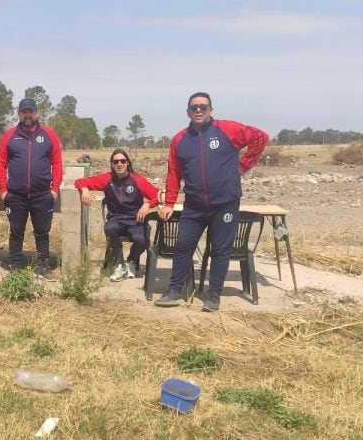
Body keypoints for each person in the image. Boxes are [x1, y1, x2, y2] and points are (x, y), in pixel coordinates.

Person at [155, 92, 268, 311]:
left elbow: (261, 137)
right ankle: (176, 291)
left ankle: (214, 294)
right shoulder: (180, 139)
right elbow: (173, 173)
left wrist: (243, 166)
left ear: (211, 110)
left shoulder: (227, 129)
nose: (199, 110)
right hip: (194, 206)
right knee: (183, 247)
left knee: (220, 250)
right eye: (194, 107)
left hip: (225, 204)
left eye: (203, 107)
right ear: (188, 112)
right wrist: (169, 202)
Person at [0, 98, 63, 280]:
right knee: (16, 231)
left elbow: (57, 162)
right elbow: (1, 163)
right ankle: (16, 265)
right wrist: (3, 189)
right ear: (19, 114)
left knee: (42, 231)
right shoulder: (10, 135)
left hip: (42, 195)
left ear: (37, 113)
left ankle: (42, 265)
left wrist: (55, 188)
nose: (28, 115)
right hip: (16, 195)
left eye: (31, 111)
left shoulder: (48, 134)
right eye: (24, 112)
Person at [74, 149, 159, 281]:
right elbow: (80, 181)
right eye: (116, 161)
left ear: (127, 163)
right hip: (116, 219)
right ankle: (120, 264)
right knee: (109, 228)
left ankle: (132, 261)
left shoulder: (138, 180)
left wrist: (147, 204)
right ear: (112, 164)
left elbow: (157, 195)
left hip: (135, 219)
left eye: (123, 161)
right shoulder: (107, 179)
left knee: (141, 240)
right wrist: (84, 189)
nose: (119, 164)